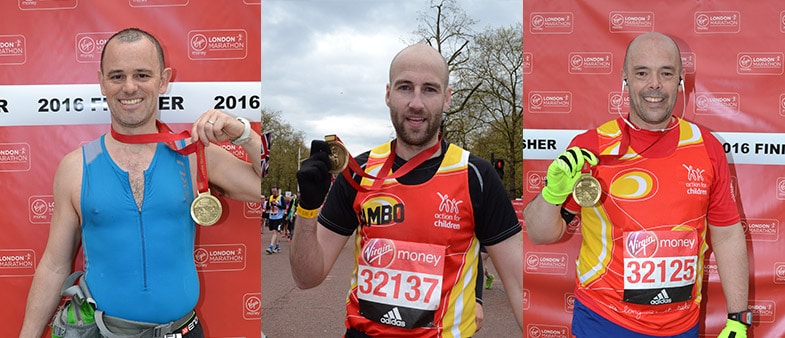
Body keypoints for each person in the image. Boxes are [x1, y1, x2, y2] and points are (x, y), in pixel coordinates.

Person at [19, 27, 263, 338]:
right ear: (101, 82)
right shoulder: (75, 167)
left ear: (163, 80)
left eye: (143, 75)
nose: (129, 87)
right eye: (117, 76)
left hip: (182, 331)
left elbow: (261, 186)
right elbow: (55, 265)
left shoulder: (193, 155)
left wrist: (244, 134)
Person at [523, 32, 750, 338]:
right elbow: (541, 234)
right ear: (625, 78)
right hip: (604, 321)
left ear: (680, 79)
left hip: (682, 326)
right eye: (642, 73)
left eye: (666, 73)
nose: (654, 84)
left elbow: (726, 236)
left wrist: (738, 318)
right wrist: (552, 192)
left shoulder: (706, 148)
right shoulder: (592, 147)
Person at [290, 43, 523, 337]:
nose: (416, 103)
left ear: (447, 98)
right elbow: (306, 278)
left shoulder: (476, 175)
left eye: (429, 89)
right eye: (405, 88)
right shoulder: (359, 172)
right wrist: (307, 209)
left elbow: (519, 284)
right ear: (388, 94)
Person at [266, 186, 285, 254]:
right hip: (271, 217)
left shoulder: (281, 197)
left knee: (274, 232)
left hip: (278, 217)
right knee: (275, 233)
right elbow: (267, 207)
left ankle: (270, 247)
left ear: (277, 191)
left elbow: (284, 207)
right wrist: (270, 206)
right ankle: (277, 247)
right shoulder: (270, 197)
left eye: (275, 191)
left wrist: (277, 205)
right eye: (273, 191)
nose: (274, 193)